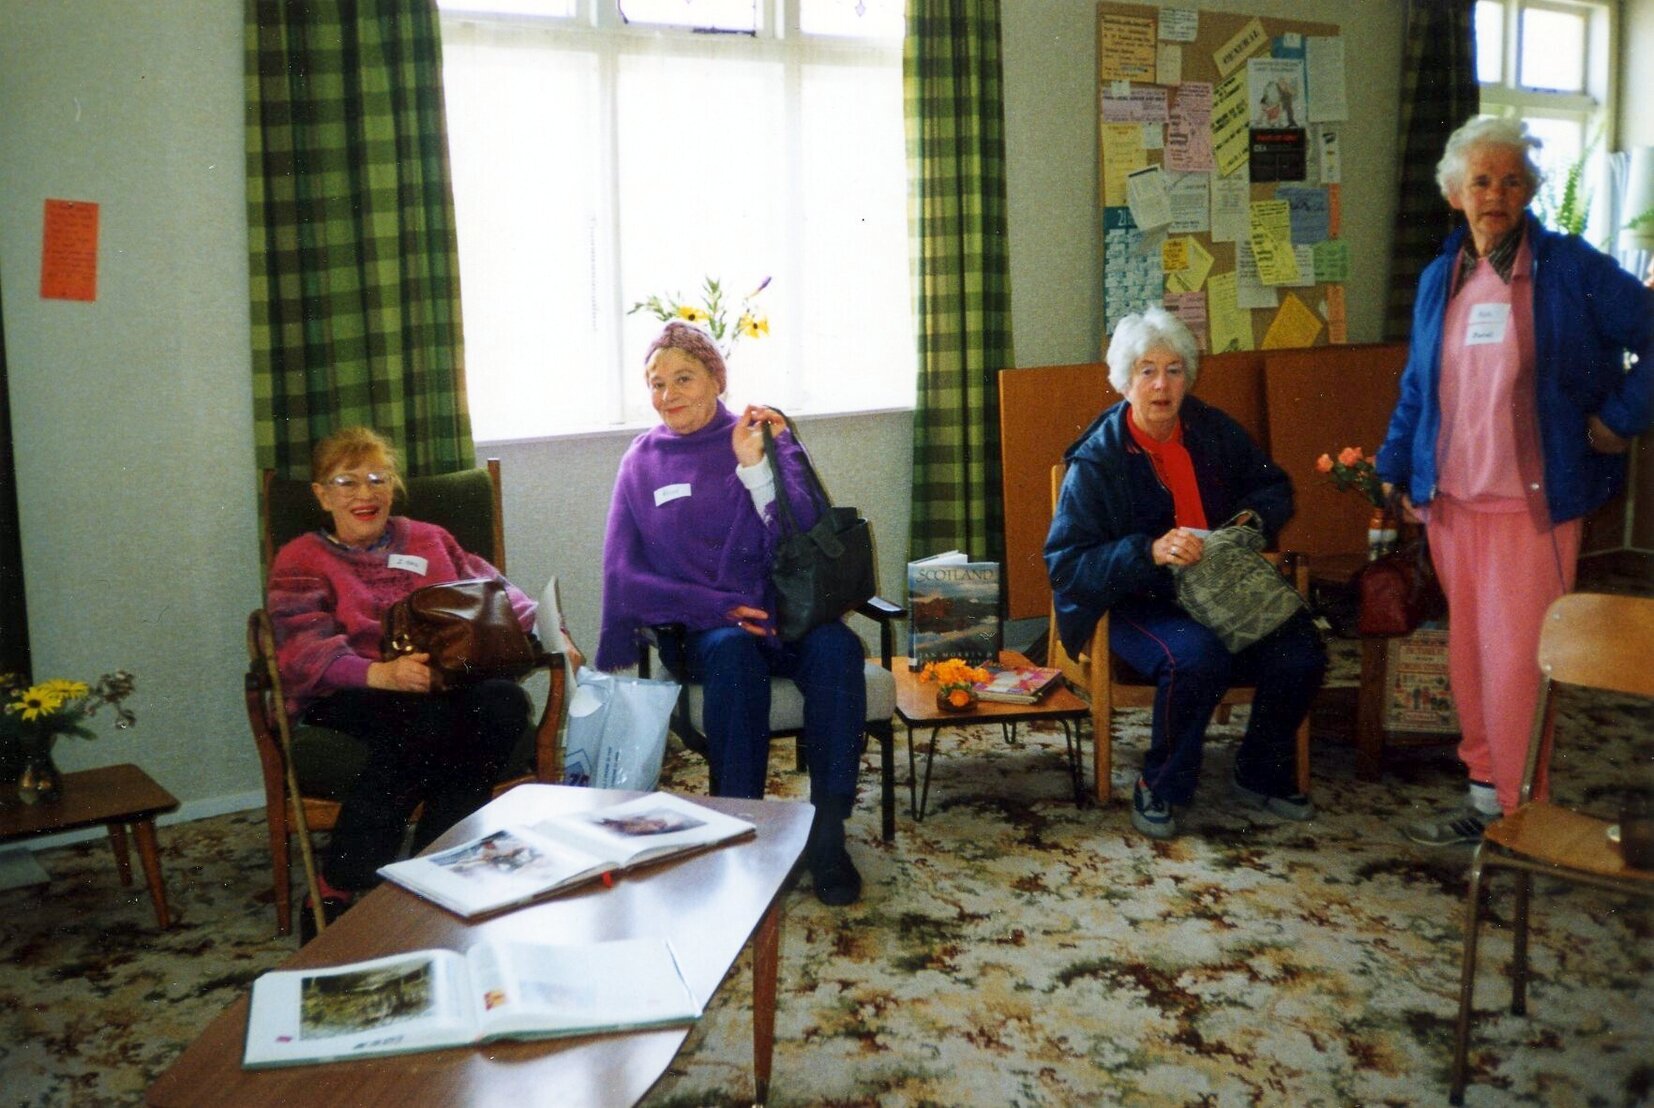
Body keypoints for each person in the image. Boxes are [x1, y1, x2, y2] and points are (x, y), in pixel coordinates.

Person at [1377, 117, 1653, 845]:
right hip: (1452, 505)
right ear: (1452, 194)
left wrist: (1620, 419)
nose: (1495, 194)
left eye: (1510, 180)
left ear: (1529, 191)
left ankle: (1523, 807)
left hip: (1533, 509)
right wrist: (1394, 467)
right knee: (1469, 655)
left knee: (1520, 665)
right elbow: (1418, 384)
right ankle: (1483, 798)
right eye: (1480, 181)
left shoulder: (1571, 269)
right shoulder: (1443, 278)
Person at [596, 321, 866, 905]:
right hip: (700, 628)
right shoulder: (640, 462)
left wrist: (757, 466)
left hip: (781, 615)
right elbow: (624, 575)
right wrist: (713, 605)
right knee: (733, 650)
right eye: (656, 382)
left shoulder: (757, 435)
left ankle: (826, 831)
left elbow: (809, 530)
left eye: (683, 378)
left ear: (716, 378)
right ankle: (738, 828)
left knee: (839, 647)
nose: (668, 395)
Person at [1045, 307, 1327, 841]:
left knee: (1302, 650)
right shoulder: (1098, 459)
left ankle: (1258, 769)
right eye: (1147, 370)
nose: (1161, 385)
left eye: (1174, 370)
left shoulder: (1212, 429)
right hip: (1135, 599)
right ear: (1125, 380)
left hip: (1219, 590)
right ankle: (1161, 785)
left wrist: (1247, 522)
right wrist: (1148, 551)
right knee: (1198, 656)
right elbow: (1068, 564)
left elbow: (1273, 488)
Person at [267, 427, 539, 938]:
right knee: (436, 721)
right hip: (348, 689)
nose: (364, 494)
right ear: (321, 495)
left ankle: (428, 868)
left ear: (393, 486)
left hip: (441, 681)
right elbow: (301, 650)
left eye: (377, 478)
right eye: (346, 482)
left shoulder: (429, 538)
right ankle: (344, 877)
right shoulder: (302, 558)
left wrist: (551, 629)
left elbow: (495, 591)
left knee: (503, 701)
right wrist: (383, 674)